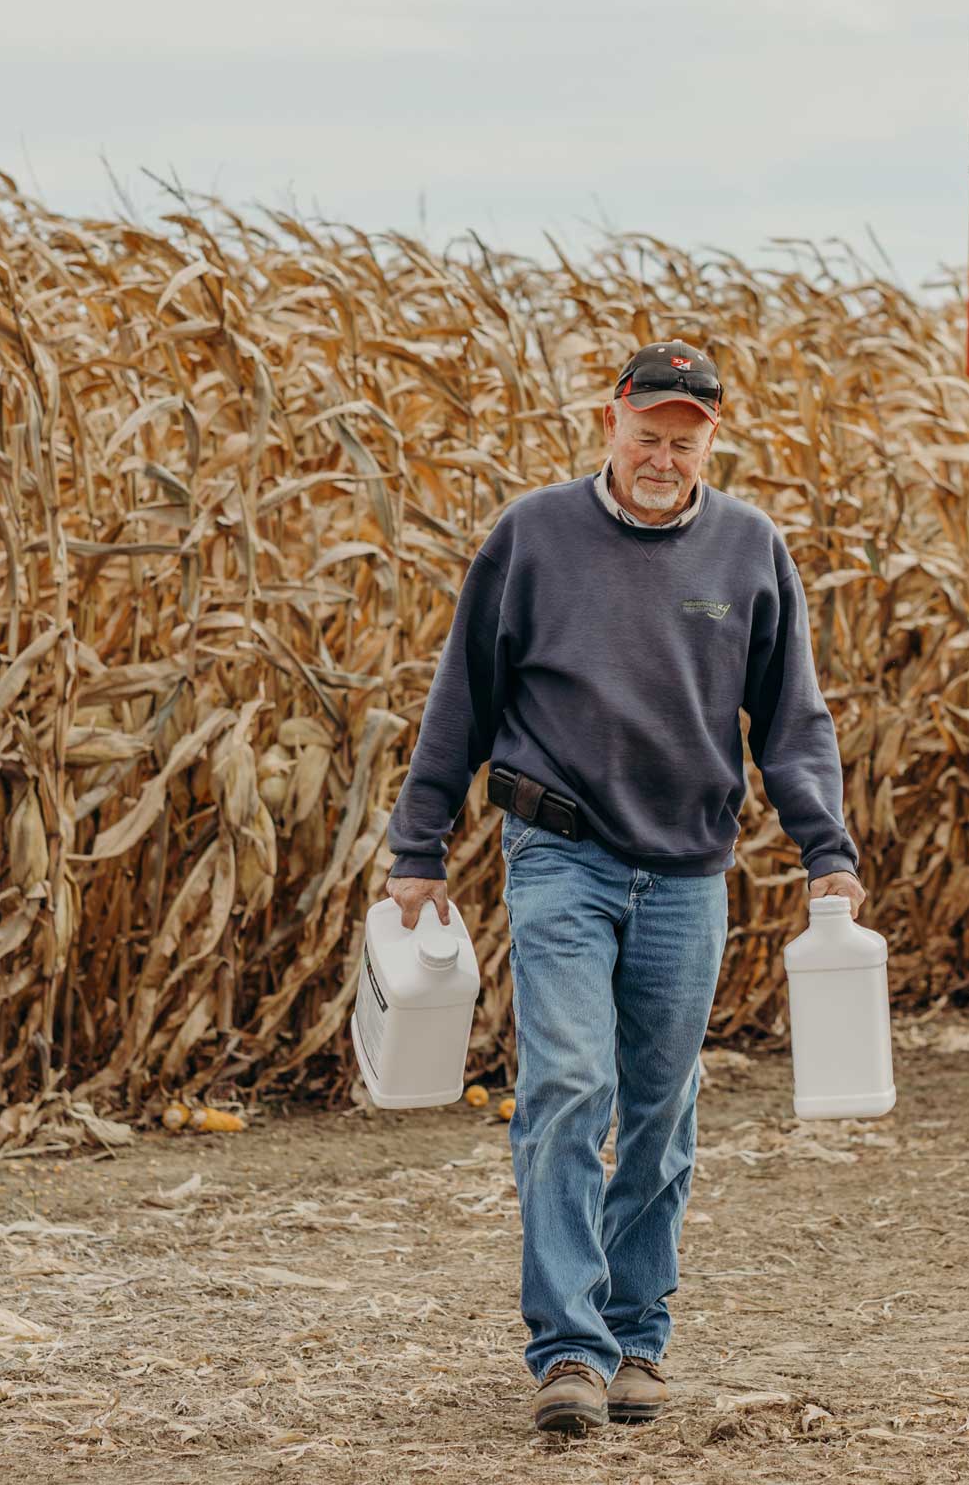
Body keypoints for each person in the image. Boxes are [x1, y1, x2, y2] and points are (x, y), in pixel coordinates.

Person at [383, 340, 865, 1436]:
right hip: (558, 853)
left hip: (690, 868)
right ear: (612, 423)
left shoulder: (749, 547)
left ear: (710, 443)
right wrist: (419, 846)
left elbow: (790, 719)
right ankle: (567, 1352)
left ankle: (637, 1335)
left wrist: (824, 849)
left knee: (660, 1109)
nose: (662, 457)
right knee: (564, 1082)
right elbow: (461, 693)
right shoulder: (535, 537)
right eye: (646, 436)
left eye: (683, 443)